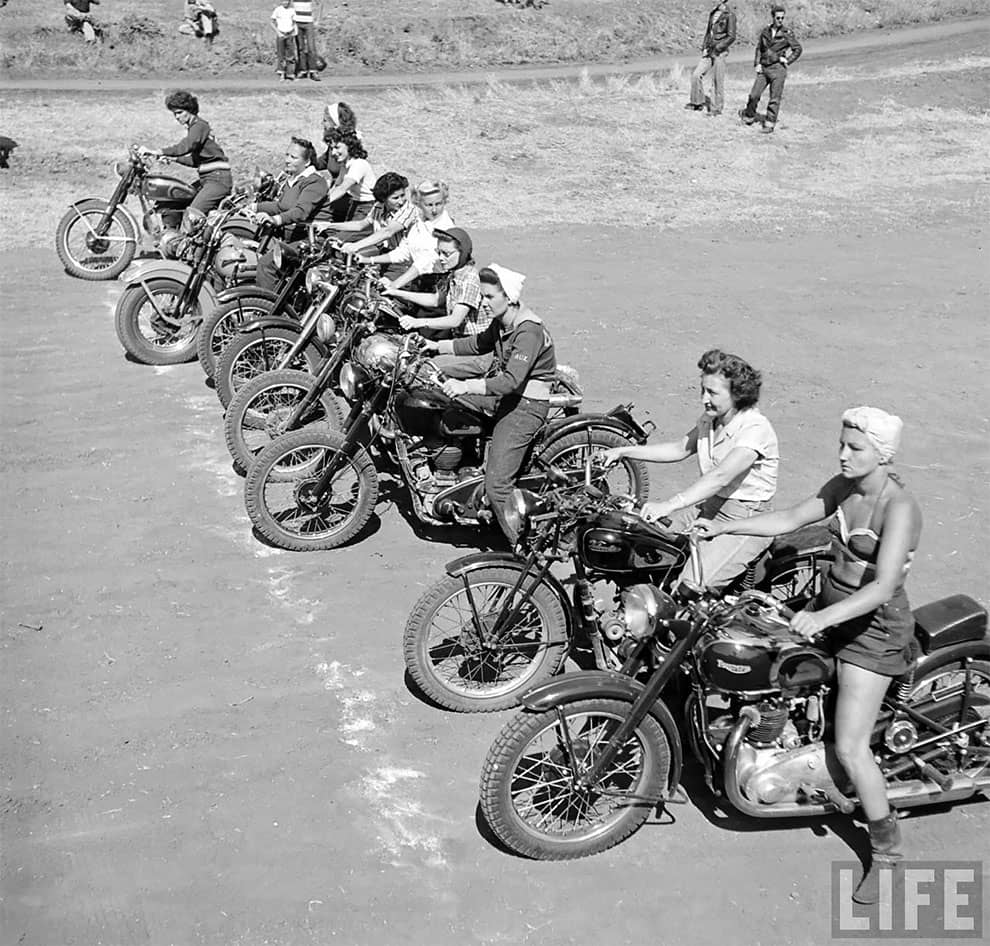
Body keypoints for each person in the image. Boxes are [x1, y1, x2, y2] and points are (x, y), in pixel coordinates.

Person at [695, 407, 921, 904]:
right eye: (841, 444)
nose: (843, 454)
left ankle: (887, 855)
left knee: (852, 747)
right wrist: (728, 530)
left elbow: (884, 585)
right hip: (829, 611)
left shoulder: (897, 506)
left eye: (855, 448)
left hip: (873, 632)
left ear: (881, 454)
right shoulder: (843, 487)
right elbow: (795, 517)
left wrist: (820, 621)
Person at [601, 349, 779, 589]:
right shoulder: (710, 420)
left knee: (689, 587)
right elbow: (679, 448)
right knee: (646, 545)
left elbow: (720, 476)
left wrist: (669, 505)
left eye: (713, 392)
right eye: (702, 390)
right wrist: (624, 451)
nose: (704, 398)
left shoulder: (754, 428)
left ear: (737, 394)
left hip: (745, 517)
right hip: (710, 507)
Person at [418, 265, 557, 542]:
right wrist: (435, 347)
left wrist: (466, 385)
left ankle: (523, 548)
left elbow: (510, 381)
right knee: (449, 407)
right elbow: (478, 344)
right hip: (507, 399)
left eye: (490, 296)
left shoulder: (528, 332)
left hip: (525, 406)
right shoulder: (503, 323)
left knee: (497, 486)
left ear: (510, 298)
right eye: (483, 295)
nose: (484, 301)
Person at [384, 228, 488, 361]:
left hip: (475, 347)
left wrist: (418, 322)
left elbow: (455, 320)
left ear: (463, 253)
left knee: (425, 369)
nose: (441, 258)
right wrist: (395, 292)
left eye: (447, 254)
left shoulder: (469, 280)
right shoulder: (454, 274)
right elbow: (435, 300)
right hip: (459, 342)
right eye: (439, 252)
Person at [139, 91, 233, 221]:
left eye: (180, 113)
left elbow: (185, 146)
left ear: (190, 110)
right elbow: (195, 160)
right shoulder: (195, 128)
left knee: (192, 215)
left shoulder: (199, 126)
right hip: (208, 179)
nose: (177, 117)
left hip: (217, 180)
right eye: (174, 114)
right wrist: (174, 159)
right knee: (174, 202)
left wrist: (159, 151)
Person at [252, 137, 329, 291]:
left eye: (293, 157)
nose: (287, 160)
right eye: (287, 155)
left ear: (307, 162)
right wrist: (254, 208)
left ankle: (266, 309)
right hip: (294, 236)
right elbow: (281, 206)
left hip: (311, 240)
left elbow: (301, 212)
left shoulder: (315, 183)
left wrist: (275, 220)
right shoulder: (292, 180)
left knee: (267, 264)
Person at [365, 179, 455, 283]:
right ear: (419, 204)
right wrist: (368, 260)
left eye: (438, 204)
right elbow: (403, 252)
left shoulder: (446, 228)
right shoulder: (418, 222)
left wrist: (395, 284)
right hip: (416, 279)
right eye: (429, 205)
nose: (434, 210)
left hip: (436, 282)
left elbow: (424, 262)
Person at [322, 172, 417, 269]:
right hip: (383, 253)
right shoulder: (378, 206)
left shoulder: (409, 209)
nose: (401, 201)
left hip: (404, 261)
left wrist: (356, 246)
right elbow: (361, 225)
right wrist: (329, 225)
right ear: (383, 199)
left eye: (402, 195)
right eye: (395, 198)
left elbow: (387, 232)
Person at [739, 4, 802, 134]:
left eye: (782, 18)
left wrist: (788, 60)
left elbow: (798, 49)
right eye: (778, 18)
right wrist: (757, 63)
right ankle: (749, 116)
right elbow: (759, 48)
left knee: (774, 98)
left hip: (778, 69)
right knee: (754, 95)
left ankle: (769, 124)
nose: (780, 20)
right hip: (764, 68)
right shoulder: (765, 31)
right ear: (773, 17)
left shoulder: (787, 33)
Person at [685, 1, 736, 116]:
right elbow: (708, 32)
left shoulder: (730, 15)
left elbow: (731, 36)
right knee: (696, 75)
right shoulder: (713, 12)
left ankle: (716, 109)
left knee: (717, 80)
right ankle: (697, 102)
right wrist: (704, 47)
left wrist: (718, 48)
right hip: (709, 49)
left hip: (720, 51)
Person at [319, 130, 377, 223]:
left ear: (349, 146)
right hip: (355, 204)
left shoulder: (358, 164)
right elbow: (336, 186)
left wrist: (322, 204)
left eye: (337, 147)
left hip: (368, 207)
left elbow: (343, 188)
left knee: (344, 236)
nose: (333, 152)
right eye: (331, 148)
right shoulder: (344, 166)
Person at [292, 0, 320, 82]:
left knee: (311, 47)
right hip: (297, 22)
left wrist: (318, 19)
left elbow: (320, 4)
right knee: (300, 48)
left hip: (309, 22)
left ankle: (313, 71)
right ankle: (303, 70)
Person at [270, 0, 298, 80]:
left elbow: (294, 22)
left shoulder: (292, 10)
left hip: (289, 34)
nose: (285, 2)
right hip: (281, 34)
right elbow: (272, 22)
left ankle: (290, 73)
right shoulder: (278, 10)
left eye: (287, 1)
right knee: (281, 54)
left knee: (290, 55)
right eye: (283, 1)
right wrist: (278, 32)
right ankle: (282, 73)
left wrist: (294, 32)